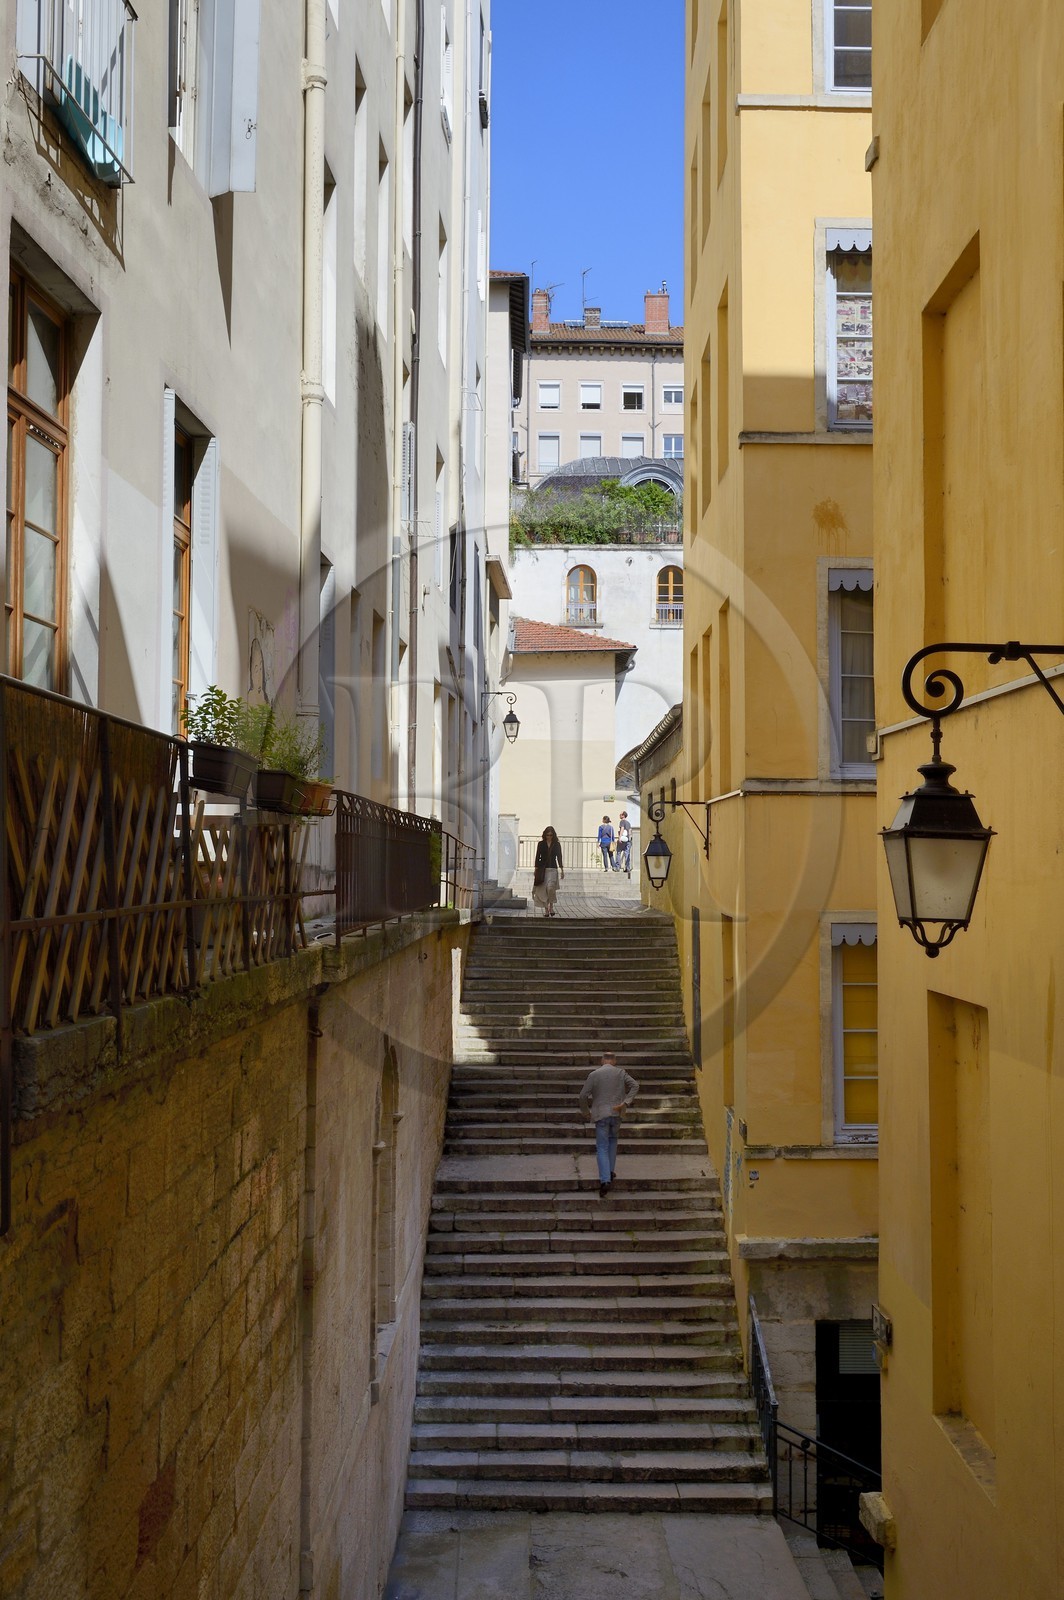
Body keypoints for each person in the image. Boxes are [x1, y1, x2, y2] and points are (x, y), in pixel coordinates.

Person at [578, 1050, 639, 1198]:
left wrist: (586, 1111)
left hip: (601, 1114)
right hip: (616, 1113)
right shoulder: (621, 1073)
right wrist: (625, 1102)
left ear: (602, 1060)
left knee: (602, 1147)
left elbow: (582, 1095)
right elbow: (635, 1085)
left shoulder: (594, 1075)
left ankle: (605, 1180)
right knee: (613, 1142)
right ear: (615, 1061)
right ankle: (610, 1172)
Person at [532, 826, 564, 918]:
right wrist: (536, 869)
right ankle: (546, 909)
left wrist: (562, 869)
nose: (549, 837)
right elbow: (538, 856)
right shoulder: (541, 844)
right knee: (543, 890)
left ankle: (552, 907)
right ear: (545, 835)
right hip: (543, 869)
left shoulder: (557, 844)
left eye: (551, 835)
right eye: (547, 835)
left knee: (550, 888)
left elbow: (559, 856)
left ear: (553, 835)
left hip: (553, 869)